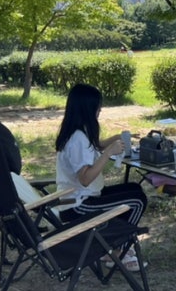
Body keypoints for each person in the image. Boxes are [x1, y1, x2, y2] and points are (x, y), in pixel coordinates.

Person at [55, 83, 148, 269]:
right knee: (137, 201)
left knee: (134, 188)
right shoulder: (77, 140)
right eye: (97, 107)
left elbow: (95, 146)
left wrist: (115, 139)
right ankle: (117, 252)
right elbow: (85, 178)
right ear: (87, 109)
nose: (100, 110)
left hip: (84, 196)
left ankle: (112, 247)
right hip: (78, 204)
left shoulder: (78, 132)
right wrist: (108, 154)